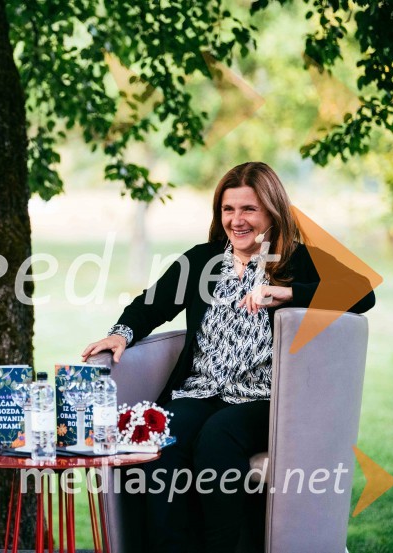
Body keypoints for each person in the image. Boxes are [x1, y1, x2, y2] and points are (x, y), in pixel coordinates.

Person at [81, 161, 375, 552]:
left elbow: (361, 291)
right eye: (228, 209)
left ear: (272, 210)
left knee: (219, 437)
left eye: (248, 209)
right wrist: (121, 334)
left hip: (265, 398)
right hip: (201, 390)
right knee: (161, 442)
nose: (237, 220)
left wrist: (289, 294)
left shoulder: (297, 260)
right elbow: (150, 304)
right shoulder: (203, 260)